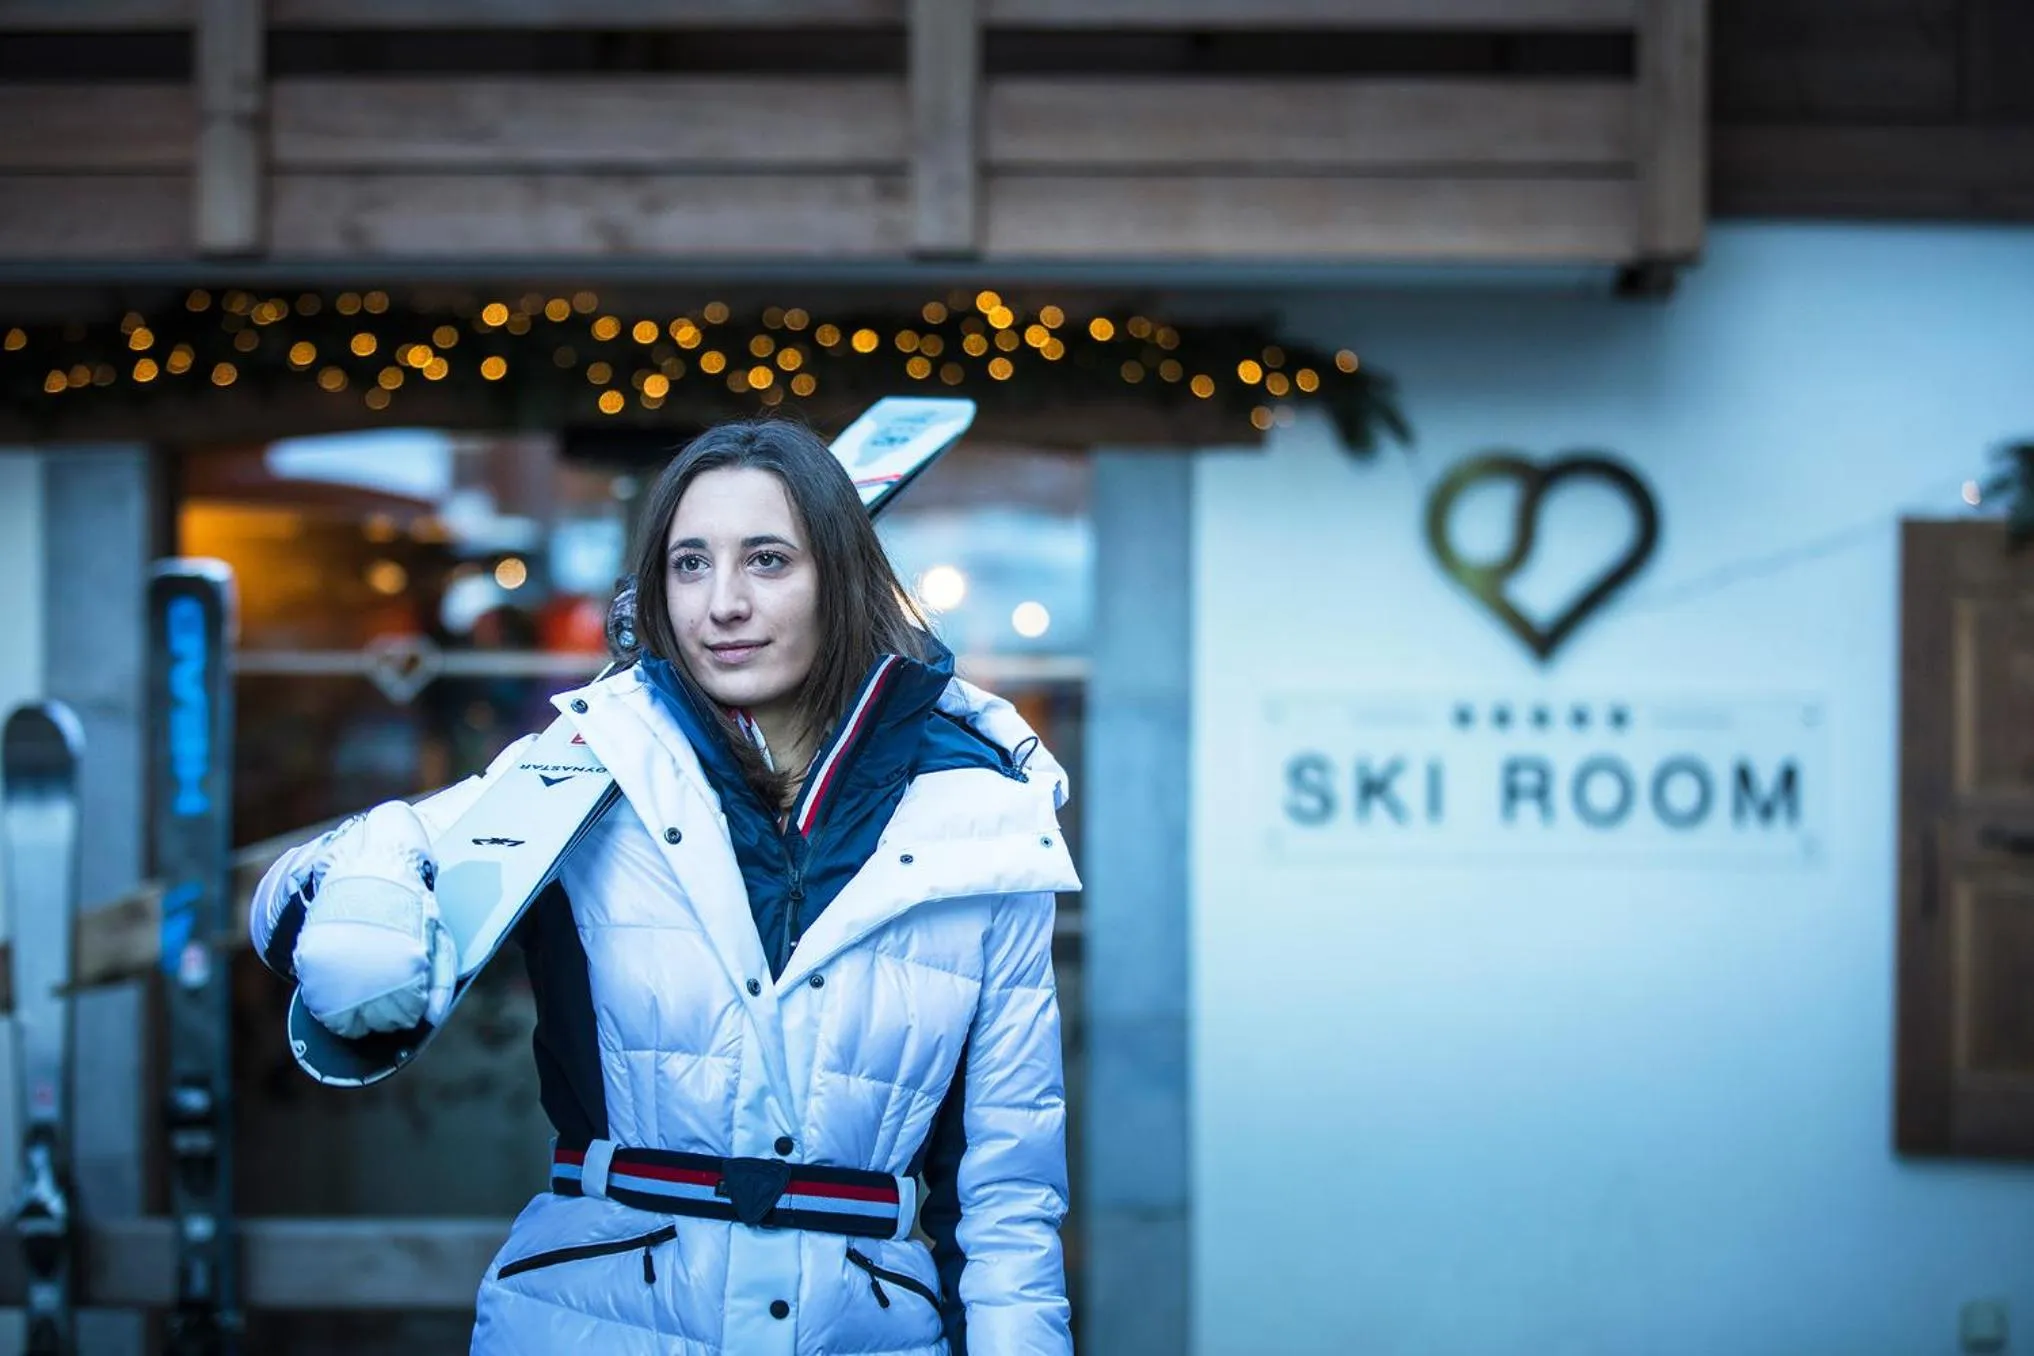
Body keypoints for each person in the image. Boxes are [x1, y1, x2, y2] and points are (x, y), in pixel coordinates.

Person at [248, 418, 1079, 1355]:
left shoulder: (979, 819)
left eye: (767, 560)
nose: (721, 603)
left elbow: (1005, 1206)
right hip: (590, 1325)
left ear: (840, 581)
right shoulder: (589, 770)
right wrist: (366, 896)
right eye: (690, 564)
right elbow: (302, 892)